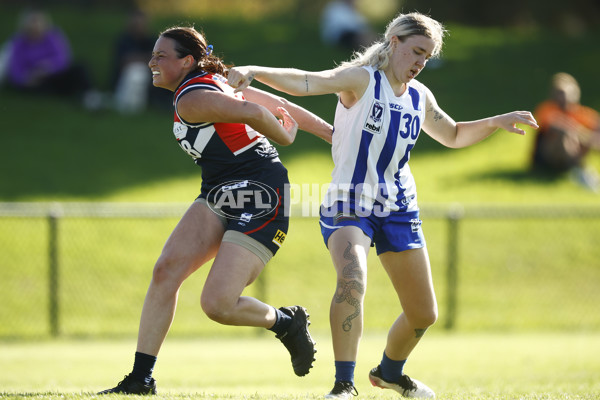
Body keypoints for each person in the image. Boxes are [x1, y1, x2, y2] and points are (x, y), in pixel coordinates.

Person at [227, 12, 538, 399]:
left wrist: (494, 120)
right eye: (416, 52)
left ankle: (391, 373)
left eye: (427, 57)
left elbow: (454, 134)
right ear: (393, 43)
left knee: (424, 314)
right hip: (349, 204)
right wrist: (254, 70)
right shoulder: (362, 80)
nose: (420, 63)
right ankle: (344, 385)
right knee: (352, 277)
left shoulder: (420, 97)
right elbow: (310, 81)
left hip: (398, 208)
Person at [98, 25, 333, 395]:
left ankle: (285, 322)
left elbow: (258, 111)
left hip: (261, 192)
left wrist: (289, 136)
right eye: (153, 55)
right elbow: (277, 106)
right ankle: (140, 378)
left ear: (187, 60)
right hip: (220, 190)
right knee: (166, 270)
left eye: (161, 56)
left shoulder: (192, 98)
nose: (151, 62)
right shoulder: (211, 81)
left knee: (218, 304)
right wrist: (333, 135)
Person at [4, 8, 99, 108]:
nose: (36, 27)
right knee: (37, 88)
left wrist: (48, 68)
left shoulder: (53, 36)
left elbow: (63, 58)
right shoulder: (19, 43)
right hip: (34, 81)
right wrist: (27, 78)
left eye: (39, 22)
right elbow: (16, 69)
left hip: (54, 74)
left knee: (81, 66)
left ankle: (90, 95)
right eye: (33, 23)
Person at [532, 72, 600, 192]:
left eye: (567, 94)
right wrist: (582, 134)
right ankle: (580, 171)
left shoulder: (583, 114)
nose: (563, 98)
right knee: (565, 134)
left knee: (589, 137)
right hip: (548, 157)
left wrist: (587, 137)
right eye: (560, 94)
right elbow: (557, 127)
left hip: (572, 156)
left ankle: (580, 172)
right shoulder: (547, 109)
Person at [110, 9, 171, 113]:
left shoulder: (153, 40)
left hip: (151, 77)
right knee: (136, 74)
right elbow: (124, 61)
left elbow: (161, 60)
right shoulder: (123, 41)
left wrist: (138, 58)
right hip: (126, 79)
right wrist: (146, 58)